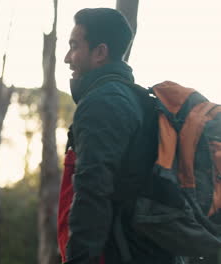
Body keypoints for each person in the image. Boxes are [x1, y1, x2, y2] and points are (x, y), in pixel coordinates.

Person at [58, 8, 176, 264]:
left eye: (74, 46)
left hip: (118, 254)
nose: (67, 58)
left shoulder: (103, 102)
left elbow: (92, 192)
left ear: (100, 52)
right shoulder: (140, 100)